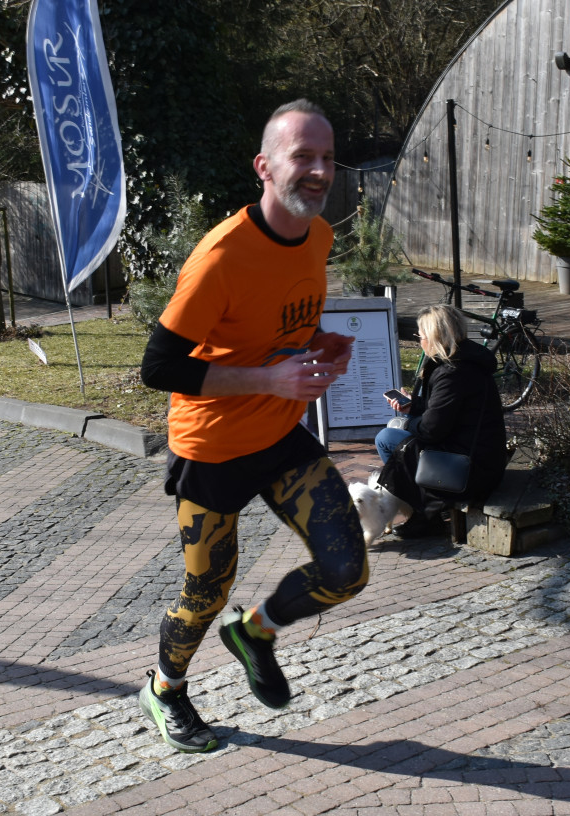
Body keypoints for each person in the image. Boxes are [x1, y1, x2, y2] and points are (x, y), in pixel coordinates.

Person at [136, 100, 367, 753]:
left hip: (279, 436)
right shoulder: (221, 257)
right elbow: (158, 367)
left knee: (346, 570)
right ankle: (164, 690)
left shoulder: (317, 236)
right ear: (264, 167)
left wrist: (320, 344)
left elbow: (275, 326)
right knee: (206, 592)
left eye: (328, 158)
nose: (319, 171)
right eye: (303, 156)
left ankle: (255, 632)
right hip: (210, 449)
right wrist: (270, 380)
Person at [374, 304, 508, 538]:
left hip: (469, 467)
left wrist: (407, 422)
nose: (419, 341)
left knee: (387, 437)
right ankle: (427, 504)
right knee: (394, 434)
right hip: (481, 453)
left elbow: (431, 430)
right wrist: (414, 406)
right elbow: (448, 410)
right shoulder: (466, 359)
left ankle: (425, 513)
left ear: (434, 337)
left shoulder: (452, 372)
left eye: (420, 336)